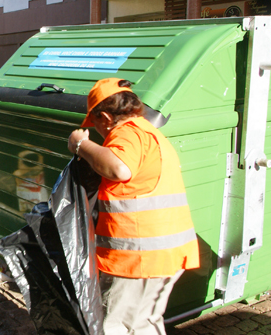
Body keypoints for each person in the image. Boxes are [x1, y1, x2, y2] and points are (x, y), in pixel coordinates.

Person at [67, 78, 200, 335]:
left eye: (95, 123)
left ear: (105, 116)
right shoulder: (147, 131)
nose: (97, 131)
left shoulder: (127, 134)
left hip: (139, 256)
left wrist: (80, 144)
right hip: (160, 252)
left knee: (119, 326)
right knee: (143, 322)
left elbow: (119, 168)